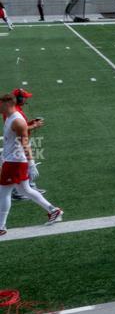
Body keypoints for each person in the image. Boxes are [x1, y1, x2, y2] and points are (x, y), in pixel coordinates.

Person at [0, 94, 63, 236]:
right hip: (12, 160)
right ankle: (53, 210)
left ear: (7, 103)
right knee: (24, 190)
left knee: (3, 193)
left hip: (14, 162)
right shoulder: (10, 118)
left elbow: (25, 143)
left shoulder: (17, 121)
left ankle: (1, 227)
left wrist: (31, 164)